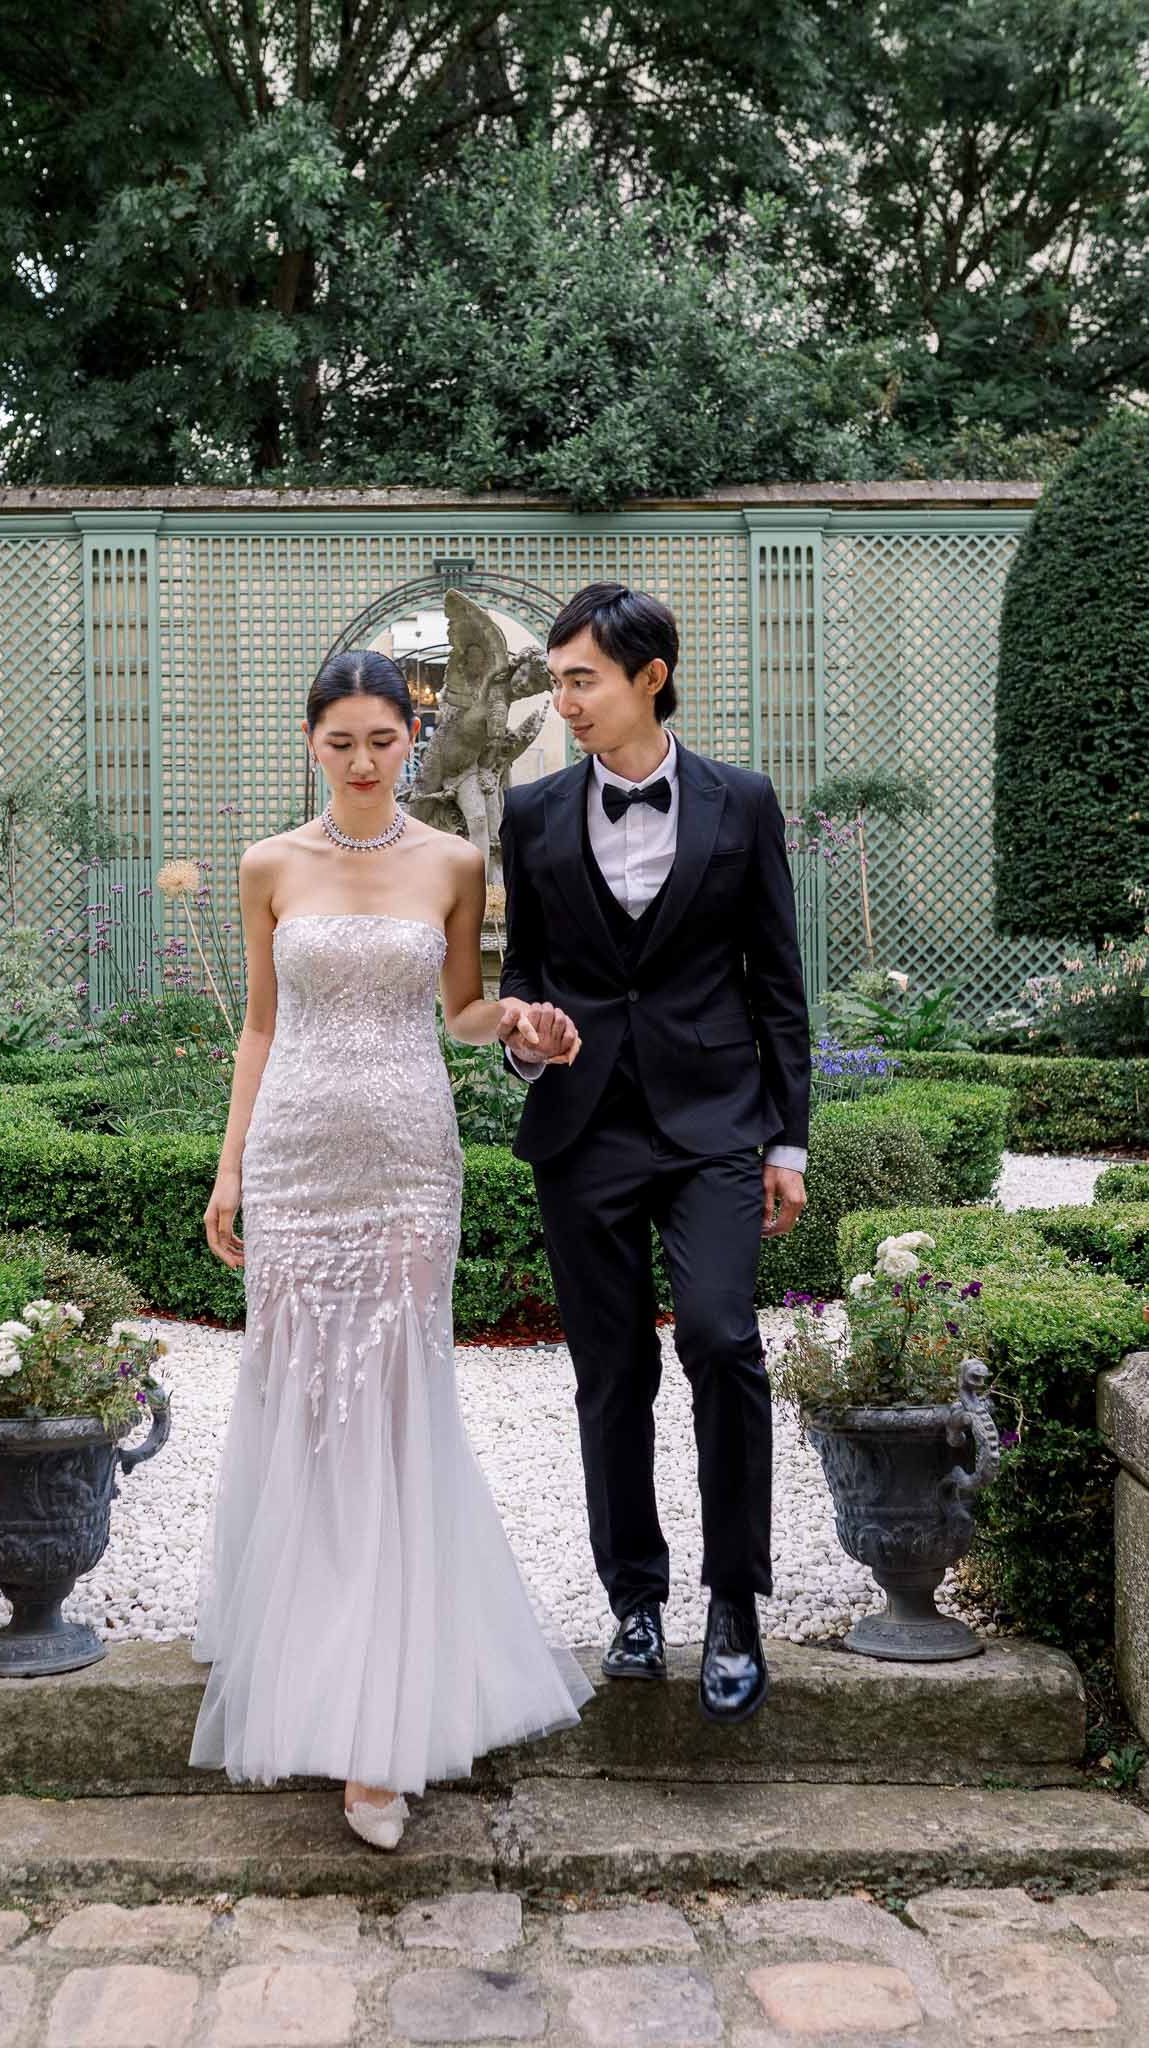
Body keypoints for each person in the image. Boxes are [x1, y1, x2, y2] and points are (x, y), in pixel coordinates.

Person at [189, 648, 593, 1851]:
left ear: (411, 739)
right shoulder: (270, 865)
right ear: (310, 741)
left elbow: (463, 1009)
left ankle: (381, 1733)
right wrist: (230, 1165)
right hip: (300, 1162)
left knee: (396, 1404)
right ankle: (302, 1653)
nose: (363, 762)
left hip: (414, 1162)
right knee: (305, 1404)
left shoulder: (457, 861)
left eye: (382, 741)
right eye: (340, 742)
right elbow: (262, 1024)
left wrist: (515, 1020)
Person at [497, 583, 810, 1725]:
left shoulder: (743, 801)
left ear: (650, 676)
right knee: (610, 1373)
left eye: (581, 677)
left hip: (717, 1121)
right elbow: (524, 979)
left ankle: (736, 1601)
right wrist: (528, 1037)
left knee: (725, 1339)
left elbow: (778, 983)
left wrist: (789, 1136)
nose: (563, 698)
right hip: (583, 1130)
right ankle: (637, 1600)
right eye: (558, 676)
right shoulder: (530, 817)